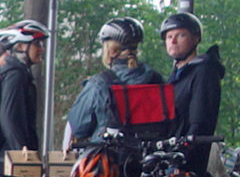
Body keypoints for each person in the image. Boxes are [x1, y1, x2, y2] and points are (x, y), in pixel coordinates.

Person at [64, 17, 166, 146]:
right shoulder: (156, 80)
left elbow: (79, 128)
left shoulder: (99, 83)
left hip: (110, 159)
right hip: (147, 158)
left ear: (110, 50)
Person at [160, 10, 225, 177]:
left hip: (184, 162)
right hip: (168, 155)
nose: (172, 41)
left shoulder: (203, 71)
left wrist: (182, 159)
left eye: (180, 35)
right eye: (168, 37)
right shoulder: (178, 74)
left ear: (196, 39)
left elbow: (200, 120)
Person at [0, 20, 48, 164]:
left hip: (5, 158)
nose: (42, 49)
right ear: (21, 46)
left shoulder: (17, 73)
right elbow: (9, 117)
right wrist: (22, 156)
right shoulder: (16, 75)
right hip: (7, 161)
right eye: (37, 44)